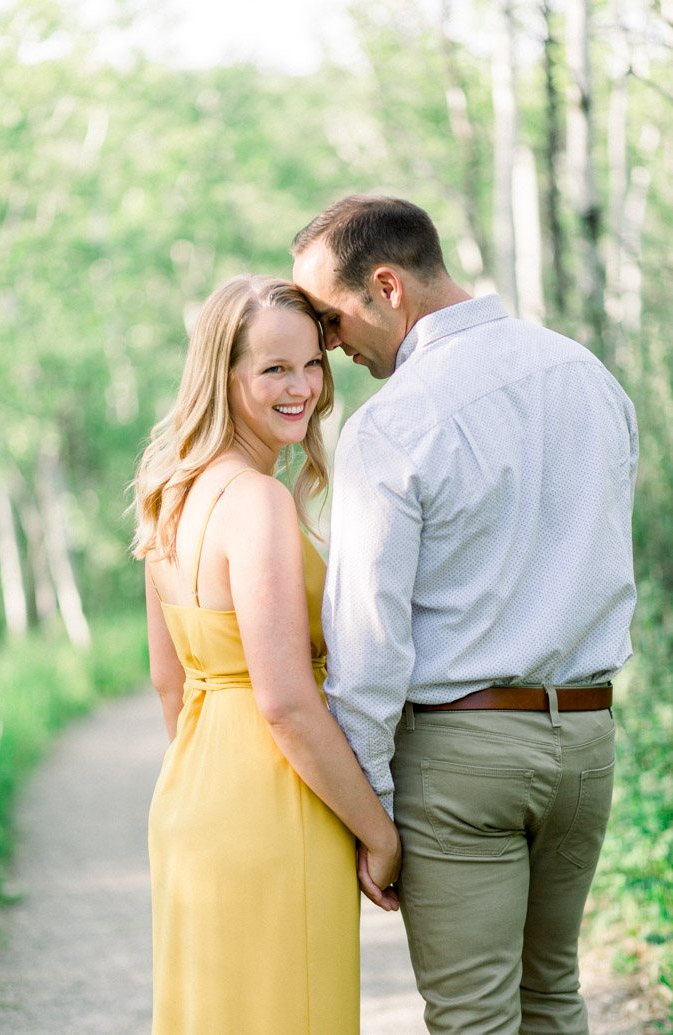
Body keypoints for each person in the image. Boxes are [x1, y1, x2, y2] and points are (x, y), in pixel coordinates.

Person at [291, 196, 638, 1035]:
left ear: (387, 286)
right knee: (553, 995)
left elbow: (368, 646)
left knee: (473, 1017)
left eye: (332, 318)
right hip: (587, 741)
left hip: (462, 757)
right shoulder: (586, 374)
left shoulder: (394, 424)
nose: (331, 345)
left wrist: (371, 810)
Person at [131, 274, 400, 1035]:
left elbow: (167, 682)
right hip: (275, 802)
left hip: (192, 794)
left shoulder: (169, 492)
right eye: (274, 368)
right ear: (224, 375)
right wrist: (379, 833)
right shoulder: (257, 502)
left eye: (313, 363)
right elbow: (283, 699)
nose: (304, 388)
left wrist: (208, 786)